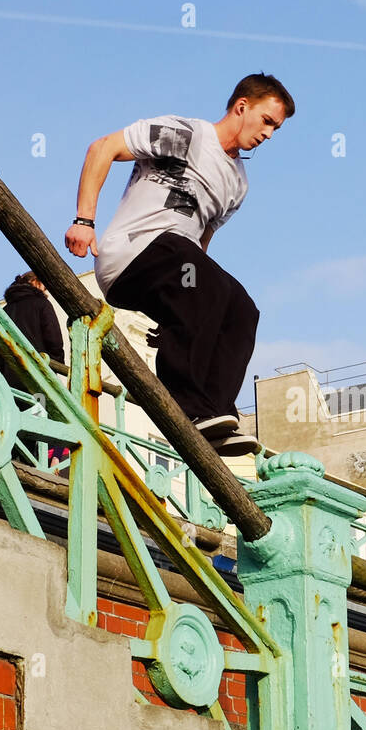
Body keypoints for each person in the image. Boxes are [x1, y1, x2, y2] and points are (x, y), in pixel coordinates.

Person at [63, 73, 294, 458]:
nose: (269, 134)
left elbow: (202, 243)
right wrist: (84, 221)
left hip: (171, 267)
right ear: (242, 107)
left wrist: (178, 313)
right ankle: (185, 403)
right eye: (267, 121)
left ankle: (214, 412)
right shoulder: (184, 134)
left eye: (277, 129)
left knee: (241, 308)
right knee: (203, 278)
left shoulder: (237, 182)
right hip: (129, 252)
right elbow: (101, 148)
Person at [0, 271, 69, 468]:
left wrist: (4, 370)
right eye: (45, 286)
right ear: (35, 283)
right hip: (37, 377)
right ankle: (34, 468)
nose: (47, 293)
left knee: (14, 424)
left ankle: (11, 465)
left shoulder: (6, 310)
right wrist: (55, 367)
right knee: (38, 423)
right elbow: (54, 340)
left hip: (10, 378)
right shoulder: (41, 304)